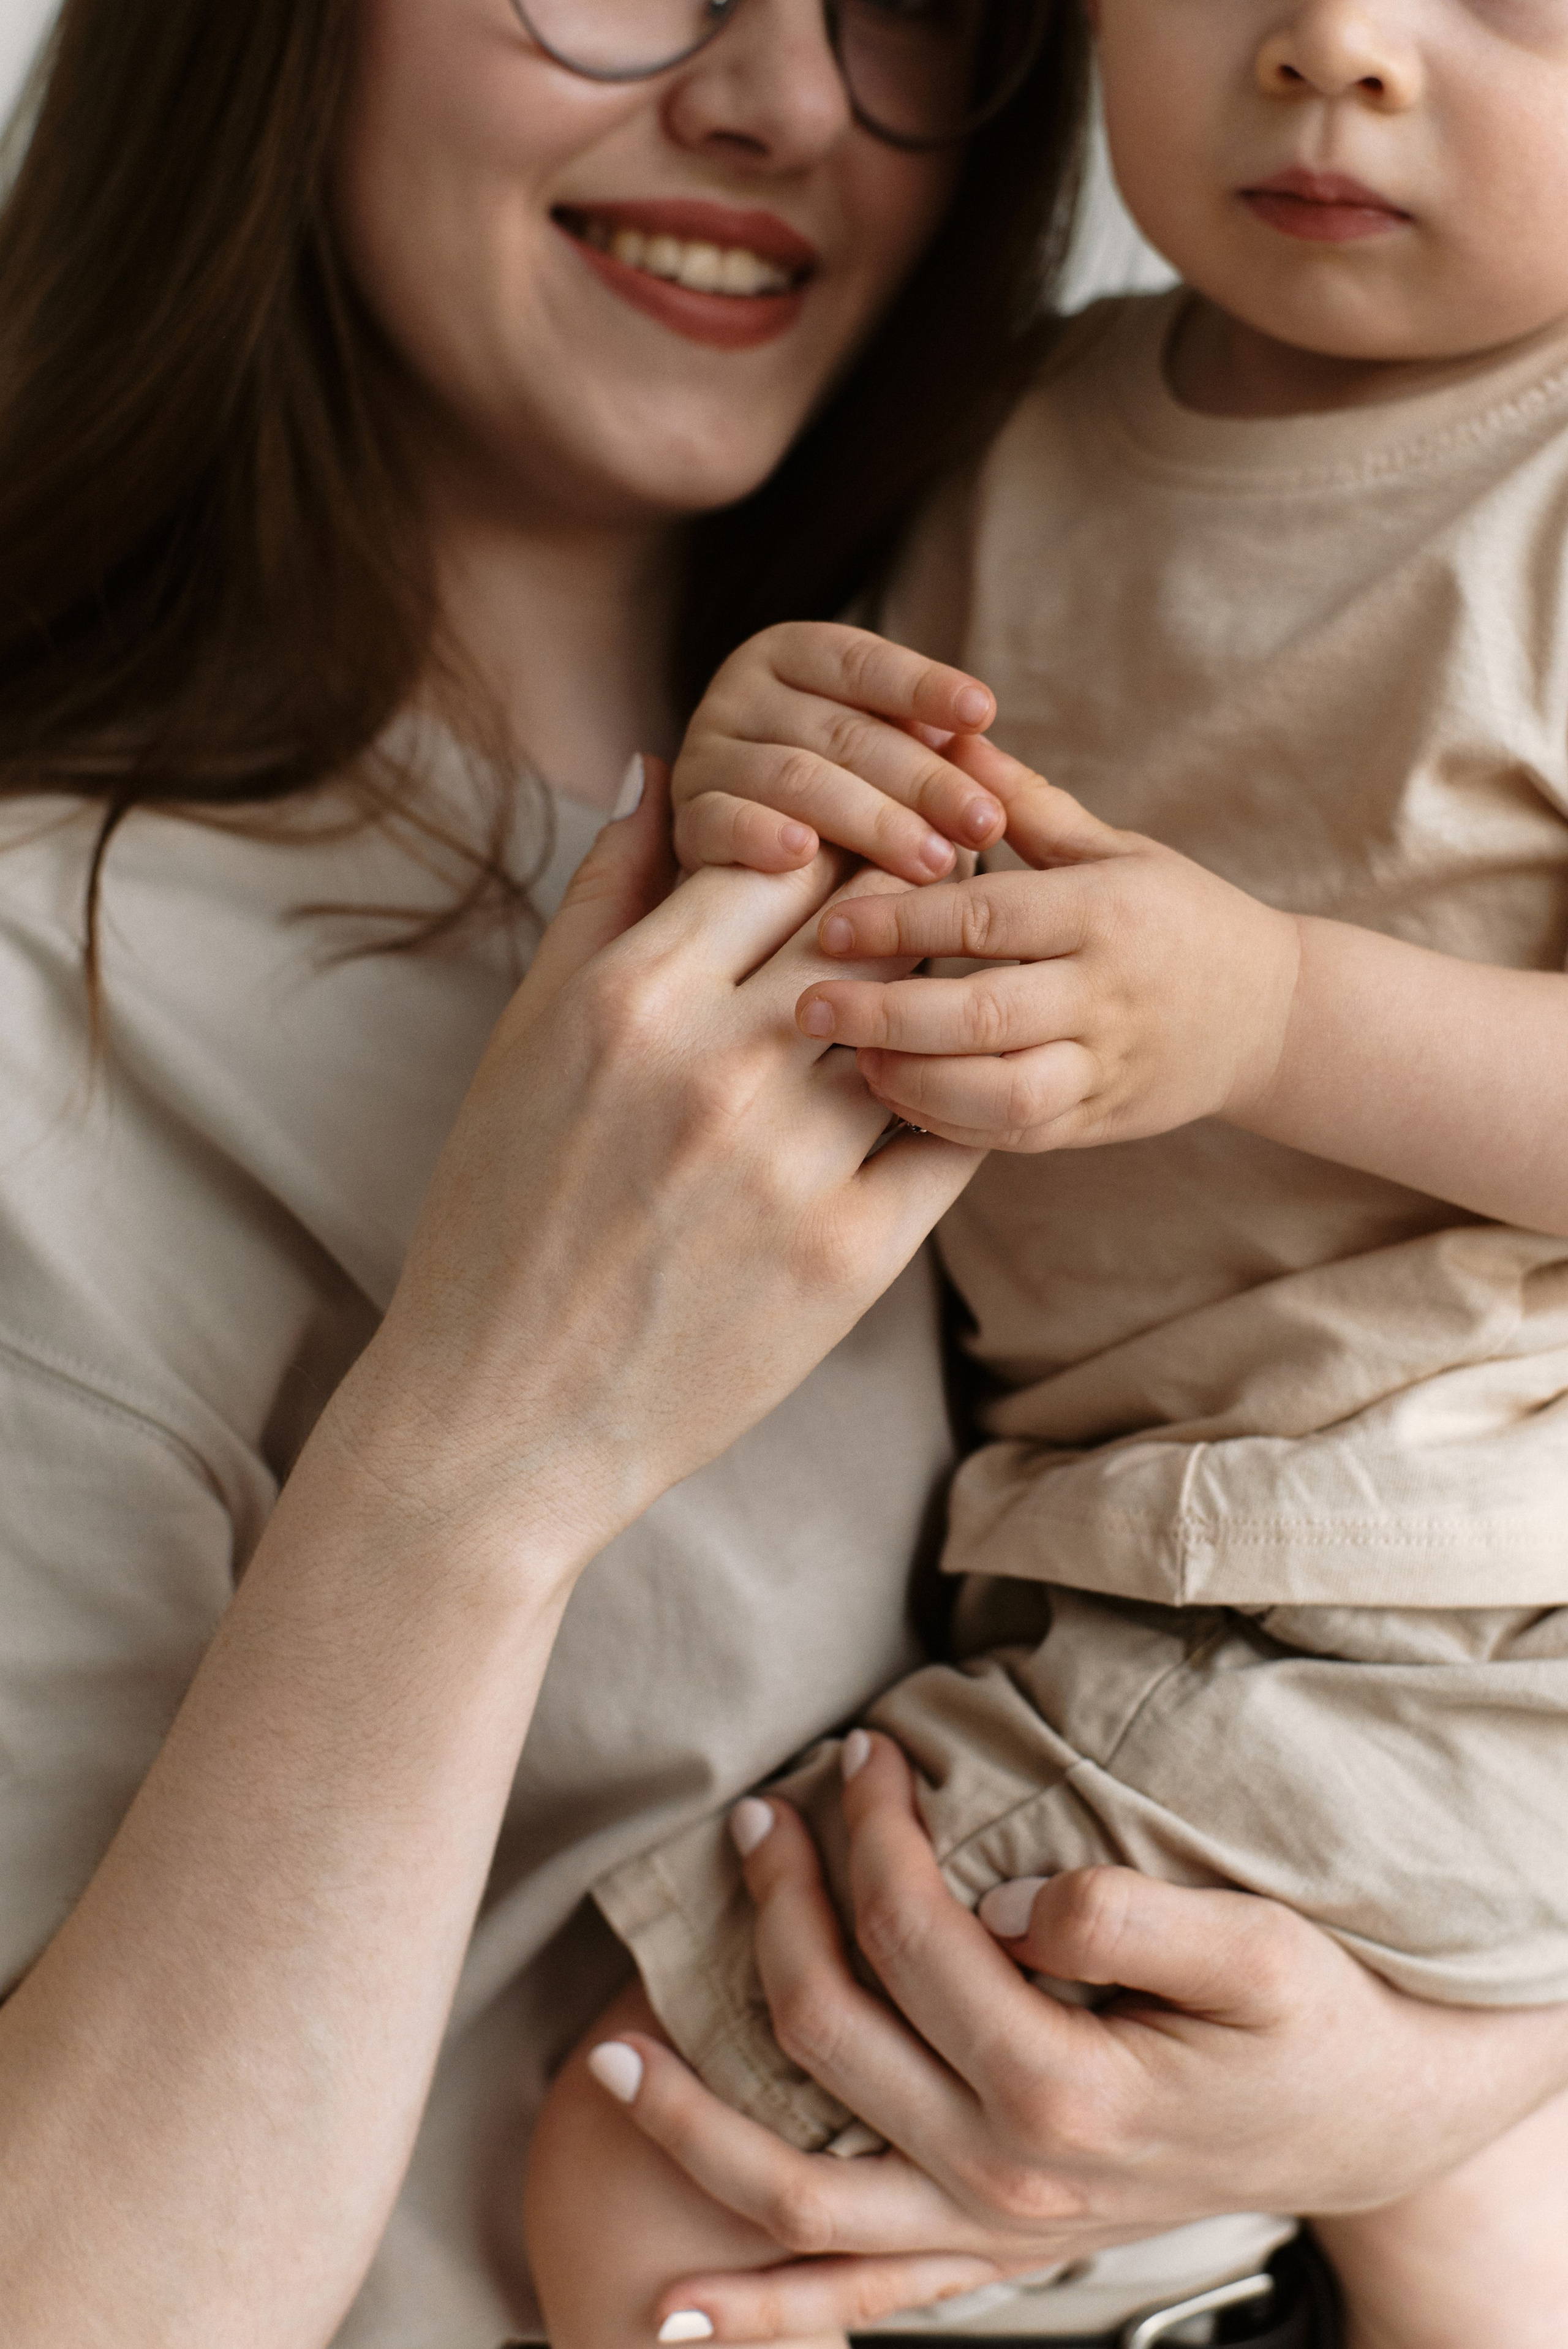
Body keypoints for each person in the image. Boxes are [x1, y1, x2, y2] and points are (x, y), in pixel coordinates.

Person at [2, 8, 1565, 2349]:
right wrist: (476, 1452)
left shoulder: (1074, 719)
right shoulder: (75, 1003)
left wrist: (1430, 2100)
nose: (783, 95)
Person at [518, 0, 1568, 2332]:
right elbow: (853, 905)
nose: (1335, 47)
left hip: (1427, 1590)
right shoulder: (1005, 418)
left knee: (629, 2192)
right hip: (1135, 1554)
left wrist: (1277, 1012)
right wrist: (770, 759)